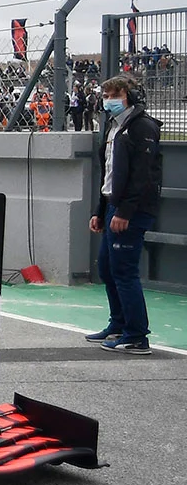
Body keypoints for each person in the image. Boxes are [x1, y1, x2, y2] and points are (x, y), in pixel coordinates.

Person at [87, 76, 164, 355]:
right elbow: (109, 174)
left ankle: (137, 335)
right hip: (112, 205)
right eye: (106, 95)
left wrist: (125, 211)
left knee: (124, 271)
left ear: (130, 95)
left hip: (131, 210)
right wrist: (100, 210)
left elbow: (142, 177)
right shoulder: (114, 126)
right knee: (108, 268)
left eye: (115, 94)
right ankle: (119, 324)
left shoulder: (142, 127)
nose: (109, 100)